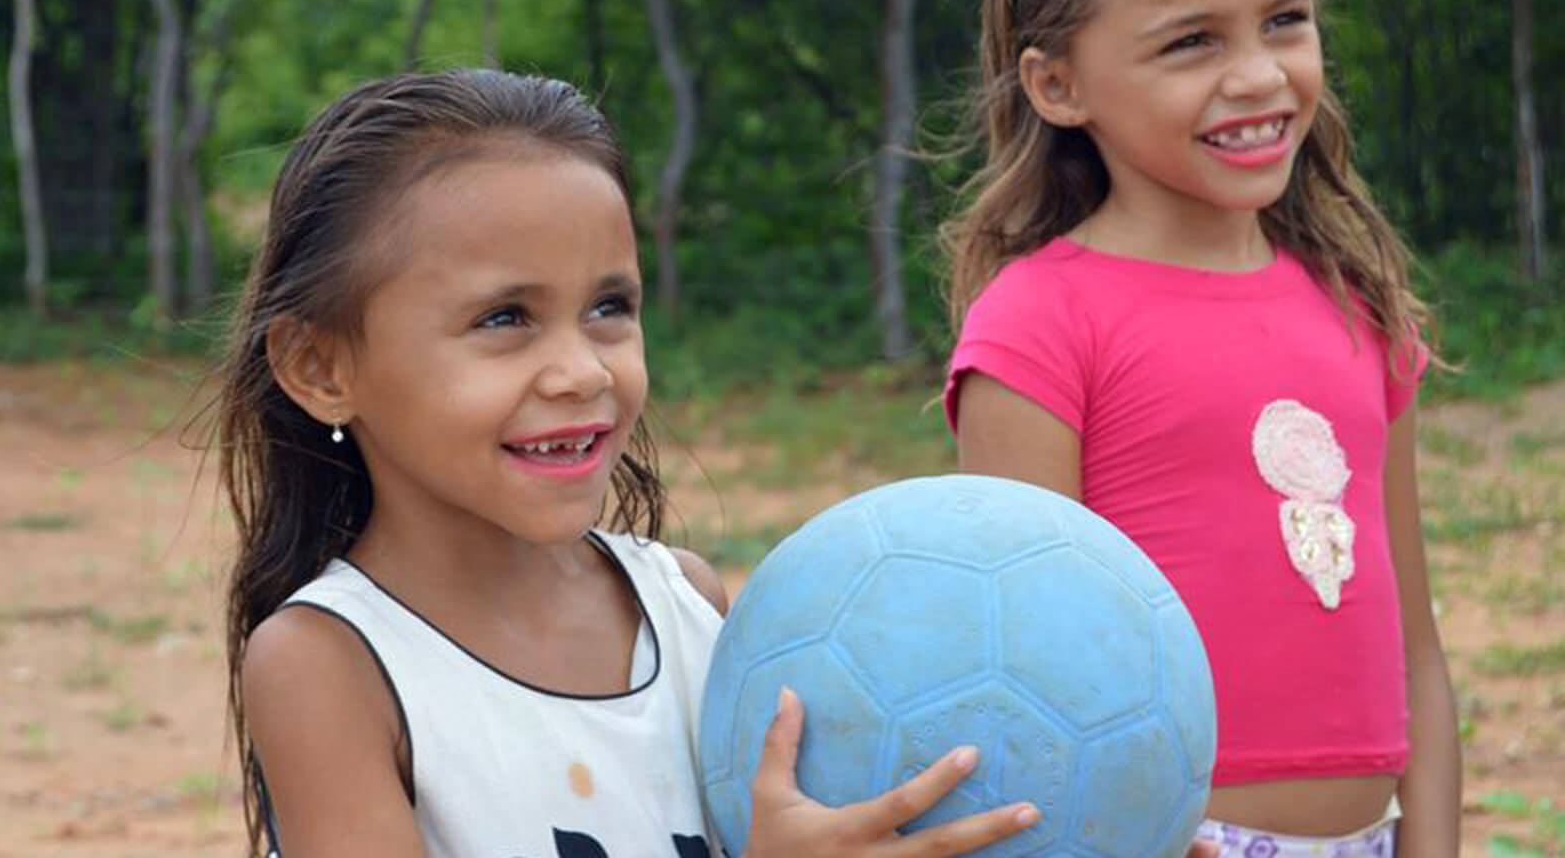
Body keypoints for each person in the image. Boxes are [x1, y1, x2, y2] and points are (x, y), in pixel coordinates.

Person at [216, 69, 1040, 858]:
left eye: (609, 307)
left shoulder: (686, 603)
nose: (584, 370)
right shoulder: (329, 664)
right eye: (505, 317)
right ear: (322, 368)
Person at [941, 0, 1461, 858]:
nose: (1260, 75)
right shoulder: (1039, 326)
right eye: (1191, 43)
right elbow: (1021, 676)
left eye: (1285, 19)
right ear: (1058, 82)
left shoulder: (1358, 301)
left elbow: (1416, 646)